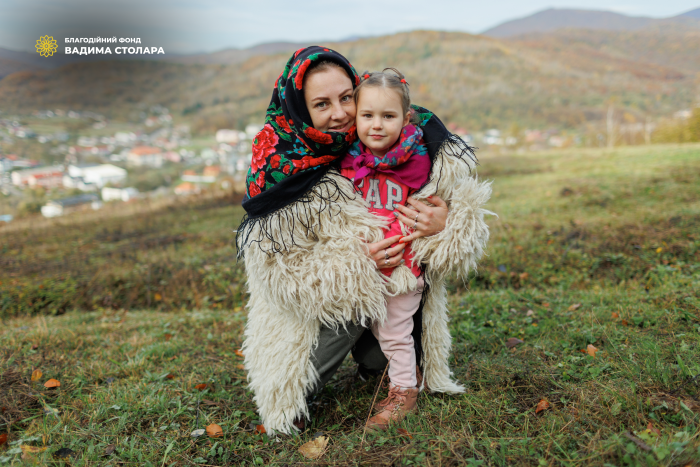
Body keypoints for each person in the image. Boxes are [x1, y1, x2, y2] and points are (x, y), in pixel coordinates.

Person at [237, 46, 493, 435]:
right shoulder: (280, 160)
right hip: (312, 307)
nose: (340, 113)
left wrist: (445, 221)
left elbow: (466, 208)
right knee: (297, 391)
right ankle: (295, 389)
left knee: (385, 349)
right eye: (322, 104)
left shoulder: (403, 134)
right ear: (300, 109)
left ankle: (391, 370)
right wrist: (357, 265)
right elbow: (279, 274)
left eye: (346, 97)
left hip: (397, 287)